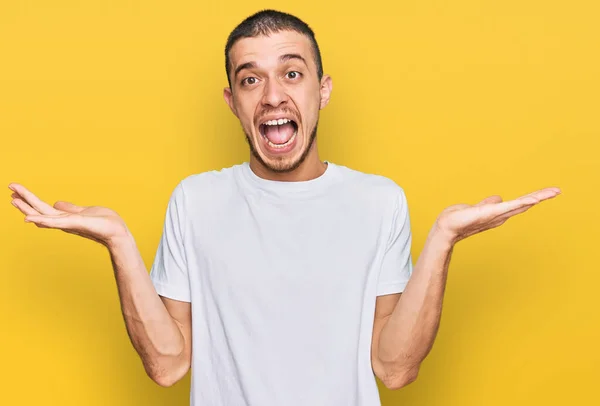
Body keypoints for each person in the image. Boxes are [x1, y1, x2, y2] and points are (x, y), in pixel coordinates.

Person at [8, 9, 560, 406]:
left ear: (322, 90)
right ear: (233, 101)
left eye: (291, 73)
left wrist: (442, 239)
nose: (272, 95)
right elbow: (167, 365)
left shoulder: (379, 202)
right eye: (251, 79)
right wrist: (119, 243)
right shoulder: (195, 201)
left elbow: (395, 370)